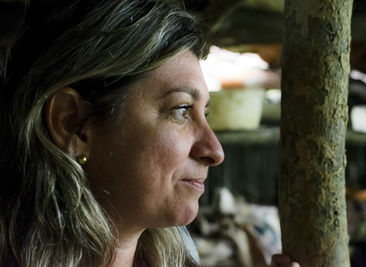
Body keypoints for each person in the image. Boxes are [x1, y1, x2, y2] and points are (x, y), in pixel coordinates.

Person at [0, 0, 299, 266]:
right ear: (73, 123)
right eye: (181, 110)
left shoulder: (175, 256)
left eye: (203, 113)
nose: (214, 151)